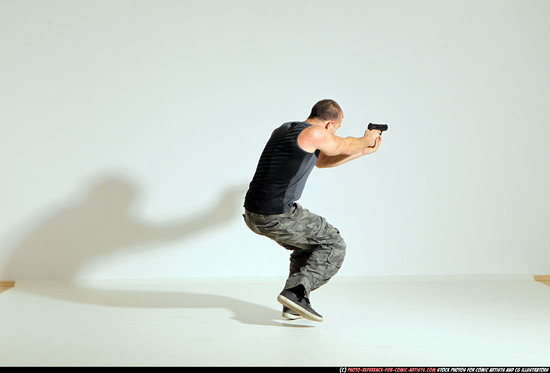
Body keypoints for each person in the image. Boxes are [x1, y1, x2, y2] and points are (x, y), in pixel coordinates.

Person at [243, 99, 382, 322]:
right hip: (277, 215)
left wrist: (362, 151)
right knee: (333, 244)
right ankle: (296, 293)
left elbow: (322, 161)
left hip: (255, 214)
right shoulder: (315, 133)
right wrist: (366, 139)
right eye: (336, 129)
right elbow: (345, 144)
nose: (334, 134)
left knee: (308, 247)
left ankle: (294, 303)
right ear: (329, 124)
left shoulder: (287, 129)